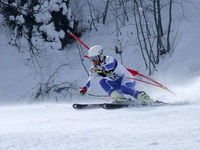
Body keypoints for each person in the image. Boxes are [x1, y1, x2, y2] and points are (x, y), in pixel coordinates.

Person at [79, 45, 155, 104]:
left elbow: (111, 65)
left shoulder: (109, 59)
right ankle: (119, 98)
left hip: (127, 79)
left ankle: (144, 97)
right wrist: (85, 88)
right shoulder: (94, 68)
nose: (93, 61)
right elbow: (90, 80)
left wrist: (101, 69)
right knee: (102, 81)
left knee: (124, 88)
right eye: (91, 59)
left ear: (100, 56)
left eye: (94, 58)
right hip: (116, 83)